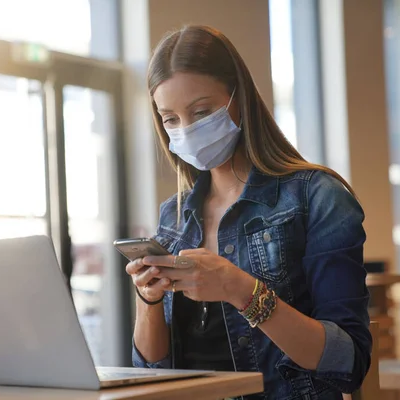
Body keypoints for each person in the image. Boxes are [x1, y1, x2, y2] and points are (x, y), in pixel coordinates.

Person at [125, 25, 372, 399]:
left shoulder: (317, 197)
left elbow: (348, 362)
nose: (186, 129)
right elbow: (152, 368)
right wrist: (149, 299)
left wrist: (241, 290)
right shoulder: (173, 217)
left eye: (202, 111)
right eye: (170, 119)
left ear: (238, 97)